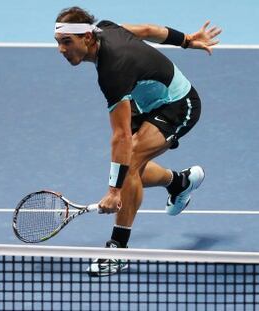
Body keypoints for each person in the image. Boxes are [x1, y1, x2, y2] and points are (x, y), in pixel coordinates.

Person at [54, 7, 221, 276]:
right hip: (146, 104)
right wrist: (187, 40)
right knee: (130, 171)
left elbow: (120, 136)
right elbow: (147, 31)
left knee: (128, 162)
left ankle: (118, 250)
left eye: (66, 42)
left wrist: (113, 192)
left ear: (86, 37)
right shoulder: (106, 28)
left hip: (177, 104)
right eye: (58, 42)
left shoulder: (113, 70)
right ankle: (180, 182)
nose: (61, 49)